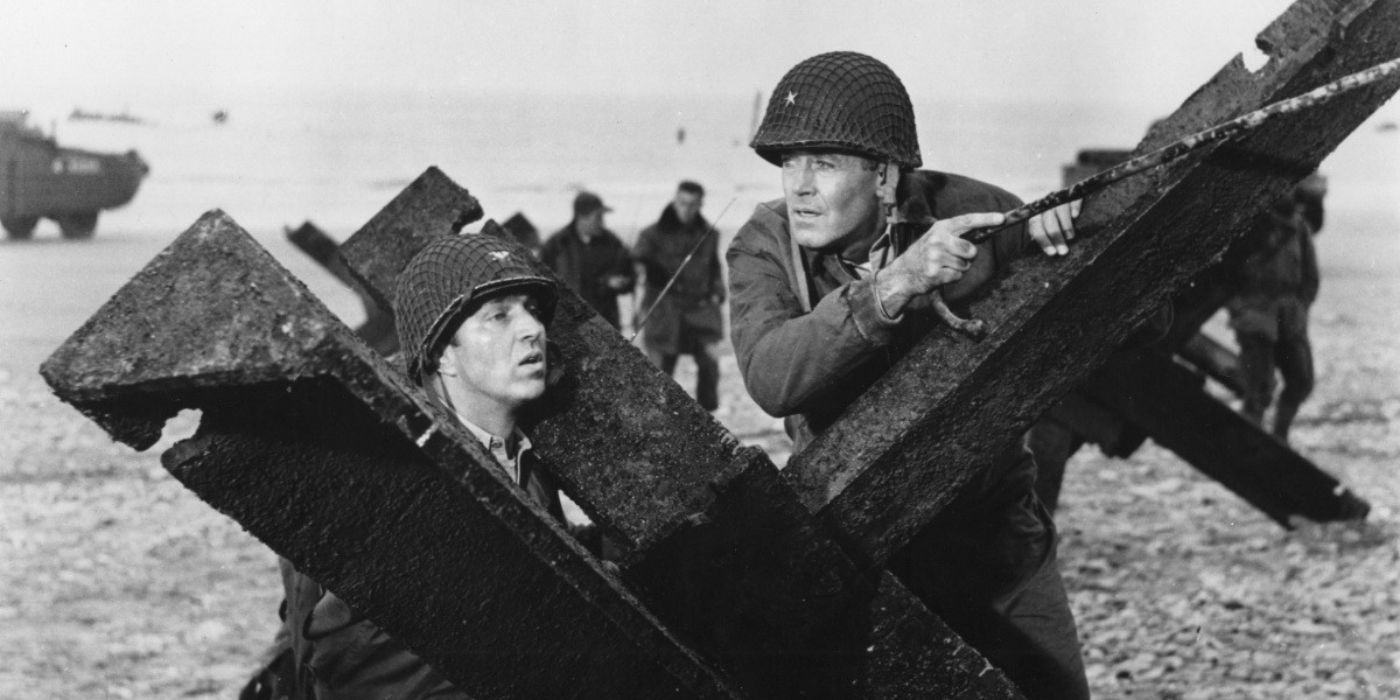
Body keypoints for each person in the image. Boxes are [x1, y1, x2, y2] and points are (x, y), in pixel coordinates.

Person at [726, 51, 1088, 699]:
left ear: (886, 176)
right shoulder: (765, 244)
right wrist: (894, 285)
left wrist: (1075, 242)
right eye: (788, 162)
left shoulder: (978, 212)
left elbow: (1142, 323)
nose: (798, 186)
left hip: (996, 540)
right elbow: (771, 377)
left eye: (823, 163)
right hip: (865, 549)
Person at [271, 233, 566, 699]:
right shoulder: (394, 485)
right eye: (499, 316)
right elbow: (352, 661)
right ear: (442, 353)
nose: (532, 329)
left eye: (531, 309)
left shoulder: (525, 460)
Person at [1225, 178, 1323, 443]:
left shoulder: (1299, 228)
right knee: (1259, 387)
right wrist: (1239, 307)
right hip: (1255, 313)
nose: (1286, 193)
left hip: (1289, 315)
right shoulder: (1251, 224)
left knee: (1301, 380)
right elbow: (1227, 275)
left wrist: (1300, 308)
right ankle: (1249, 442)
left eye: (1290, 187)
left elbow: (1311, 277)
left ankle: (1280, 436)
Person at [633, 180, 725, 411]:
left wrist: (718, 292)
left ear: (700, 204)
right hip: (664, 313)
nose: (686, 209)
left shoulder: (709, 234)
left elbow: (715, 268)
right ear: (675, 201)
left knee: (710, 365)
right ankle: (658, 418)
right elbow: (636, 262)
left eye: (693, 204)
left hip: (700, 313)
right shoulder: (651, 234)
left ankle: (708, 416)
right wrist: (644, 268)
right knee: (659, 375)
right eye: (682, 203)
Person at [540, 191, 635, 328]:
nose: (602, 222)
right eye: (598, 217)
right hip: (569, 324)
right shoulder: (557, 244)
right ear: (581, 217)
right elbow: (542, 282)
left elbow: (629, 277)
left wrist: (620, 283)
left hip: (605, 323)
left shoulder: (613, 242)